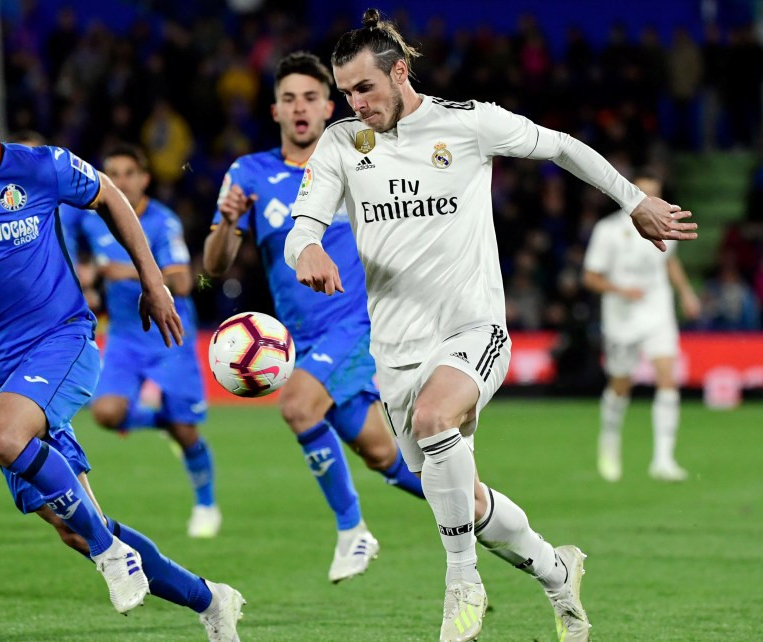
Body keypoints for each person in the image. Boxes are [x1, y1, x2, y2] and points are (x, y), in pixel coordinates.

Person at [284, 12, 697, 642]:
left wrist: (633, 200)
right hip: (394, 349)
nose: (353, 103)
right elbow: (303, 225)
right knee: (466, 502)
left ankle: (461, 585)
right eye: (345, 92)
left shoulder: (468, 123)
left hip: (473, 327)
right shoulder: (342, 144)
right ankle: (557, 570)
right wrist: (306, 249)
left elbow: (560, 144)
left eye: (364, 88)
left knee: (434, 421)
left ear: (399, 72)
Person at [0, 63, 243, 641]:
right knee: (79, 527)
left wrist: (153, 281)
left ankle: (111, 556)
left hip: (63, 341)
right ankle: (210, 599)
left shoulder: (40, 167)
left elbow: (112, 196)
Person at [204, 51, 423, 583]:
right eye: (288, 99)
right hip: (300, 338)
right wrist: (227, 224)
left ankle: (353, 530)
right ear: (274, 110)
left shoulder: (360, 157)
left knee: (299, 406)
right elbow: (213, 270)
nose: (299, 108)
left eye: (310, 97)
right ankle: (488, 512)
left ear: (330, 106)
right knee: (382, 456)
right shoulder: (248, 174)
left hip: (356, 325)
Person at [73, 144, 220, 538]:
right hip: (123, 336)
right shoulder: (90, 219)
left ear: (144, 179)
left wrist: (126, 271)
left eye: (128, 173)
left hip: (169, 336)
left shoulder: (162, 222)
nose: (119, 182)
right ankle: (162, 420)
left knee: (187, 432)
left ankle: (206, 504)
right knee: (105, 414)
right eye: (112, 174)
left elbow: (185, 282)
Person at [583, 171, 701, 482]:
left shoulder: (666, 222)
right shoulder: (608, 230)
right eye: (645, 193)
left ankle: (663, 459)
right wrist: (621, 291)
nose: (653, 200)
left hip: (657, 309)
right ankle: (609, 441)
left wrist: (686, 293)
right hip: (622, 315)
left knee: (667, 376)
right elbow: (590, 276)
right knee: (621, 385)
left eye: (656, 193)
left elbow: (670, 261)